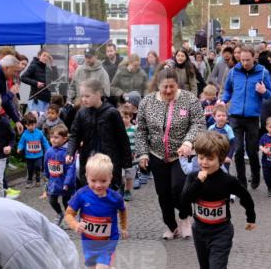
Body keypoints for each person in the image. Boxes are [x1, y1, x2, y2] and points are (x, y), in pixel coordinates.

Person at [179, 131, 255, 269]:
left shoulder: (226, 180)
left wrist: (251, 217)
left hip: (221, 231)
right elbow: (183, 201)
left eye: (209, 159)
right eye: (200, 157)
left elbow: (245, 196)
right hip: (200, 231)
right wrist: (198, 182)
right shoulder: (193, 177)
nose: (204, 162)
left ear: (220, 159)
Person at [136, 67, 206, 239]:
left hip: (181, 154)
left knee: (178, 188)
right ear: (158, 85)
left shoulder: (189, 99)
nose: (168, 91)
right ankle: (171, 225)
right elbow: (141, 130)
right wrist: (143, 154)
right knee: (163, 193)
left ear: (177, 85)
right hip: (156, 153)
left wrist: (189, 142)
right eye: (164, 87)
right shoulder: (147, 102)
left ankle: (184, 217)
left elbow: (199, 123)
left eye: (172, 87)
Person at [65, 152, 126, 269]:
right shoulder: (81, 195)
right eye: (93, 181)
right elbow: (68, 214)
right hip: (89, 245)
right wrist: (76, 225)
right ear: (86, 176)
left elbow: (123, 209)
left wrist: (124, 227)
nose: (98, 185)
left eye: (103, 181)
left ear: (110, 177)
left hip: (108, 243)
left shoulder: (114, 197)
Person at [65, 78, 132, 193]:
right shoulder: (81, 113)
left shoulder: (112, 113)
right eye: (82, 96)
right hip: (88, 159)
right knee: (89, 192)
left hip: (109, 160)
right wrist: (70, 152)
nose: (84, 99)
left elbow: (122, 139)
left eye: (87, 96)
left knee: (108, 194)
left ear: (98, 94)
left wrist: (126, 164)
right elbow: (75, 135)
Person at [222, 47, 271, 190]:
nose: (244, 63)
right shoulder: (233, 72)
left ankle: (256, 174)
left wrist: (264, 92)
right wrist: (223, 100)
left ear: (254, 58)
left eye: (248, 60)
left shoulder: (263, 73)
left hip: (252, 117)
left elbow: (270, 94)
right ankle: (241, 180)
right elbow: (227, 90)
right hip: (235, 116)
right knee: (238, 150)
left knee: (251, 150)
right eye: (242, 60)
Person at [43, 123, 74, 226]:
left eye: (56, 137)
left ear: (65, 139)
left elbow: (70, 168)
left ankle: (69, 218)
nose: (53, 139)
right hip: (53, 182)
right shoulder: (49, 151)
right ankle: (59, 214)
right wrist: (46, 175)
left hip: (65, 183)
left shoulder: (67, 152)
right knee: (52, 199)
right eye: (51, 137)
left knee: (66, 202)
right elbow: (46, 164)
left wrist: (67, 182)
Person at [22, 48, 59, 114]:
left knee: (43, 121)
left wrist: (52, 64)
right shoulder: (34, 65)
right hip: (36, 99)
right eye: (44, 55)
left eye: (48, 56)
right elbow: (23, 77)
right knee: (35, 121)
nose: (46, 58)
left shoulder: (48, 67)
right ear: (39, 56)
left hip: (47, 99)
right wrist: (36, 83)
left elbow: (56, 79)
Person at [17, 112, 47, 188]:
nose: (31, 127)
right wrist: (19, 148)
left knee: (38, 167)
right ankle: (29, 180)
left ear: (35, 124)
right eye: (28, 125)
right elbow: (21, 143)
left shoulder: (39, 133)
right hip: (29, 156)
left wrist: (48, 149)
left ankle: (38, 178)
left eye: (33, 125)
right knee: (30, 169)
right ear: (25, 125)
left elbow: (44, 142)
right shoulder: (25, 134)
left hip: (38, 155)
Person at [119, 105, 137, 201]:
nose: (124, 119)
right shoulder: (117, 130)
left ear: (131, 117)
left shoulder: (134, 129)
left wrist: (136, 152)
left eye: (126, 117)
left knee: (129, 176)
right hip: (120, 156)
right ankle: (121, 186)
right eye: (122, 117)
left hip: (131, 157)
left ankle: (128, 190)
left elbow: (138, 142)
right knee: (120, 174)